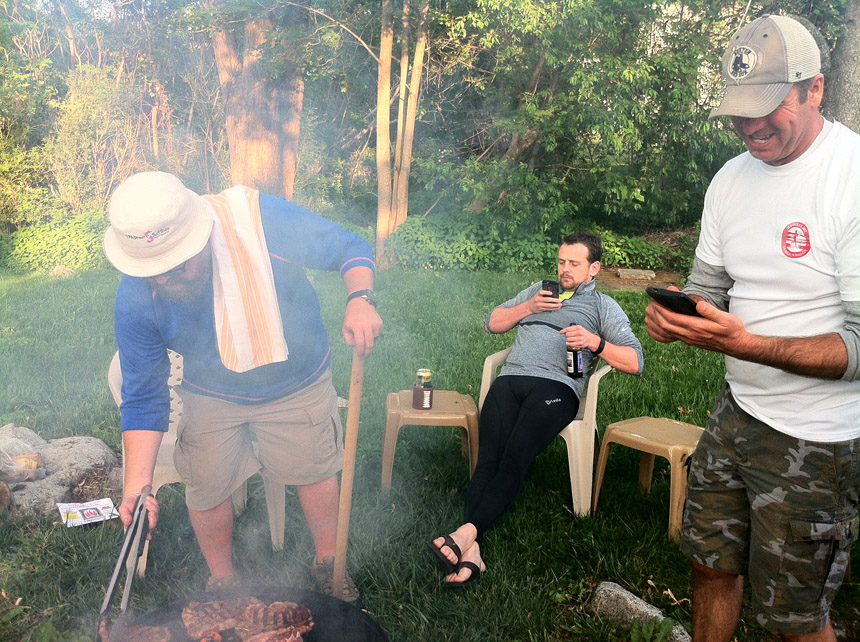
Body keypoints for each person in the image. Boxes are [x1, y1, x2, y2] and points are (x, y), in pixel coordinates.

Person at [645, 14, 860, 642]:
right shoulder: (730, 179)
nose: (750, 127)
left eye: (767, 108)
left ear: (814, 89)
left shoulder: (849, 179)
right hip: (736, 413)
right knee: (710, 566)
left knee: (794, 620)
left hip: (817, 439)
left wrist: (747, 344)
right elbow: (709, 285)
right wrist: (682, 313)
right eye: (739, 112)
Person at [103, 171, 383, 601]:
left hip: (296, 378)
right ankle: (222, 581)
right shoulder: (137, 297)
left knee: (312, 468)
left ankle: (327, 562)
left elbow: (350, 247)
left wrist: (360, 300)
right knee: (207, 479)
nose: (164, 281)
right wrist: (137, 488)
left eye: (175, 267)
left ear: (200, 238)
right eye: (152, 273)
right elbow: (143, 394)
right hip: (210, 390)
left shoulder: (261, 221)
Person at [429, 232, 644, 586]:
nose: (564, 269)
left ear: (593, 268)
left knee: (515, 456)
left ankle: (466, 532)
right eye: (561, 261)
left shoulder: (602, 306)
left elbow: (635, 361)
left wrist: (595, 342)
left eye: (574, 263)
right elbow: (491, 322)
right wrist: (528, 308)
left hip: (556, 388)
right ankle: (472, 547)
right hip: (510, 380)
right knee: (488, 459)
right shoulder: (538, 292)